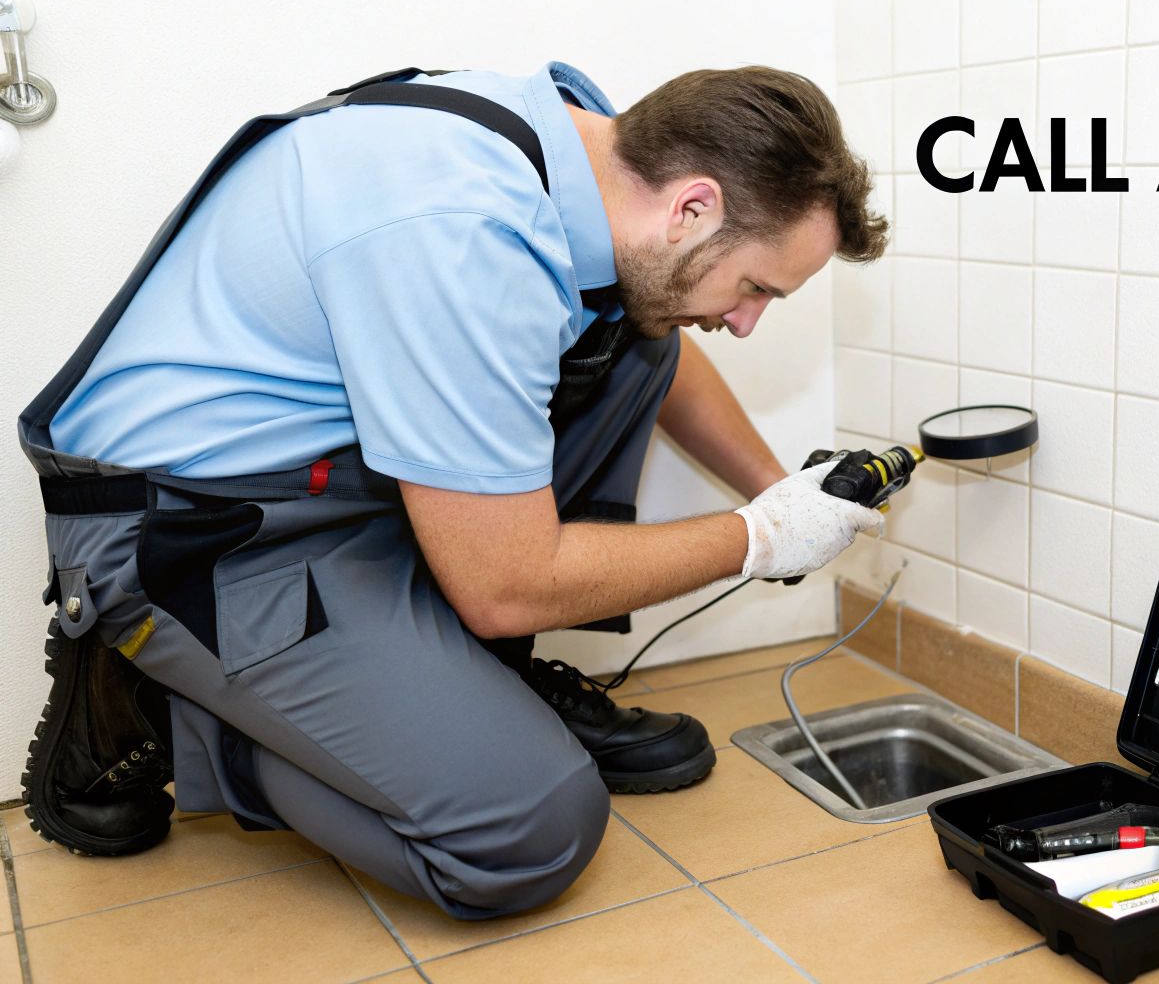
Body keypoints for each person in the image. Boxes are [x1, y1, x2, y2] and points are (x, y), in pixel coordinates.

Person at [16, 62, 888, 919]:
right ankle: (184, 713)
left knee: (637, 331)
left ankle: (465, 681)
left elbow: (658, 345)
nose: (746, 321)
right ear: (692, 206)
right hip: (194, 534)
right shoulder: (463, 235)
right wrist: (763, 537)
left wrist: (785, 489)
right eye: (756, 289)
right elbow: (508, 586)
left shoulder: (582, 152)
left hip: (330, 479)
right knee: (528, 833)